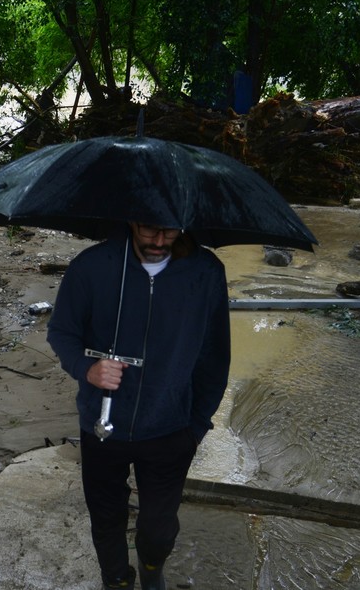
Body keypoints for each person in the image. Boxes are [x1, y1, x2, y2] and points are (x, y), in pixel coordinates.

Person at [46, 222, 231, 590]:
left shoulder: (206, 271)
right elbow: (62, 331)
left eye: (169, 231)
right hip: (101, 424)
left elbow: (215, 356)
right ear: (131, 220)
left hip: (171, 428)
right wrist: (87, 369)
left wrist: (197, 426)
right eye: (149, 230)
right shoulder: (93, 265)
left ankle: (151, 566)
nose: (159, 241)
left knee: (158, 530)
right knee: (106, 517)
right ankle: (116, 579)